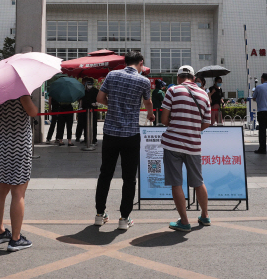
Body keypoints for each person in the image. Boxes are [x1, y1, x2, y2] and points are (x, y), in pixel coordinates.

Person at [94, 51, 154, 230]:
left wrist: (113, 105)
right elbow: (148, 103)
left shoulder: (112, 75)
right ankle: (124, 218)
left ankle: (99, 214)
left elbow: (99, 99)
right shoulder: (143, 81)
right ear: (141, 63)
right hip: (131, 135)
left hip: (111, 133)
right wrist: (150, 114)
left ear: (125, 61)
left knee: (105, 174)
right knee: (129, 178)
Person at [160, 66, 211, 232]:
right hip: (193, 145)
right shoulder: (204, 94)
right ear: (193, 77)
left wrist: (176, 125)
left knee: (176, 183)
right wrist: (193, 129)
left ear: (178, 77)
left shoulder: (173, 91)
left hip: (173, 144)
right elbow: (206, 123)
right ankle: (204, 216)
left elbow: (164, 120)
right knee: (198, 181)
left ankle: (184, 221)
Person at [0, 95, 38, 252]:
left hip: (2, 144)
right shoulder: (20, 92)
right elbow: (33, 112)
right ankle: (15, 239)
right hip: (19, 145)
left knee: (0, 190)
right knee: (18, 192)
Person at [76, 77, 100, 144]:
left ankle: (94, 139)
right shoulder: (83, 91)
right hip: (84, 110)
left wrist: (96, 104)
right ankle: (86, 138)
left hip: (93, 110)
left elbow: (98, 100)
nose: (89, 85)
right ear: (86, 84)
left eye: (91, 83)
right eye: (88, 83)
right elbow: (80, 100)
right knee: (85, 125)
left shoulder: (96, 91)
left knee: (94, 125)